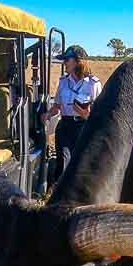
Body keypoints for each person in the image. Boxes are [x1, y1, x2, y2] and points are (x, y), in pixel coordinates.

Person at [43, 45, 103, 182]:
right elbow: (57, 106)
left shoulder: (93, 84)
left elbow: (100, 114)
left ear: (77, 62)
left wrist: (86, 114)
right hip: (65, 126)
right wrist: (47, 114)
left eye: (66, 60)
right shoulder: (63, 82)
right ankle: (56, 196)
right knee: (63, 164)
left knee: (82, 166)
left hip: (84, 127)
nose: (64, 63)